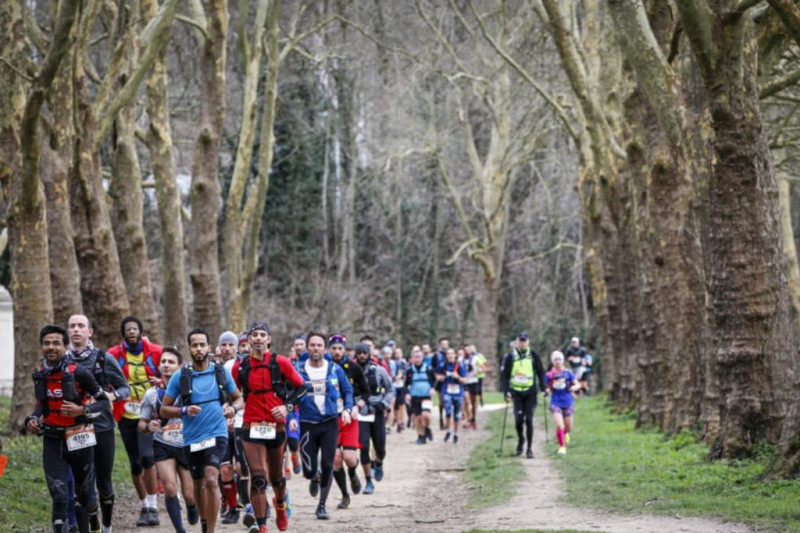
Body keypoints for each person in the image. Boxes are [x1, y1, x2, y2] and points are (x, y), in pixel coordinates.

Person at [27, 325, 111, 533]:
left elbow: (104, 403)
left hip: (78, 438)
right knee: (59, 496)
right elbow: (41, 405)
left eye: (56, 343)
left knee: (84, 497)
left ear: (65, 346)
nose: (51, 347)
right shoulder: (40, 374)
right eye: (46, 343)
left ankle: (93, 513)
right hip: (53, 440)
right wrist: (33, 419)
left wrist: (81, 410)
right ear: (41, 347)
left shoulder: (79, 373)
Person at [160, 328, 243, 533]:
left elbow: (238, 398)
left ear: (208, 347)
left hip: (217, 433)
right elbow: (164, 408)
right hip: (191, 437)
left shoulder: (220, 372)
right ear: (189, 348)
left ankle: (210, 531)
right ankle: (205, 523)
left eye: (202, 345)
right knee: (198, 485)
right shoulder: (181, 375)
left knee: (212, 480)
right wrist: (184, 410)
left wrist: (232, 409)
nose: (198, 349)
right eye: (194, 345)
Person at [231, 322, 308, 533]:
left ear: (269, 339)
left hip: (276, 428)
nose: (258, 338)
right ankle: (263, 525)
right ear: (248, 340)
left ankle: (281, 504)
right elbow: (231, 394)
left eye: (262, 335)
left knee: (276, 479)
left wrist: (287, 407)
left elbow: (302, 388)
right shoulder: (241, 367)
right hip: (251, 427)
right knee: (257, 477)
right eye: (254, 335)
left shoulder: (280, 362)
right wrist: (229, 409)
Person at [66, 315, 130, 533]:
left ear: (89, 332)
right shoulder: (62, 361)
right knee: (82, 486)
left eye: (81, 326)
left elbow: (125, 389)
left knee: (103, 482)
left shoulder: (103, 358)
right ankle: (91, 516)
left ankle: (108, 526)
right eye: (72, 326)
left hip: (102, 427)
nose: (76, 330)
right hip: (75, 428)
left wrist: (109, 397)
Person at [106, 316, 163, 527]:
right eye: (128, 329)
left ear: (140, 331)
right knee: (135, 463)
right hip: (126, 414)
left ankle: (154, 505)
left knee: (148, 458)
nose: (131, 331)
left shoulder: (156, 351)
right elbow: (105, 378)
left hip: (148, 413)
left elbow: (171, 370)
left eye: (135, 328)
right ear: (123, 333)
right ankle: (144, 506)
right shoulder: (113, 354)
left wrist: (161, 382)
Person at [139, 346, 199, 533]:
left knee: (190, 494)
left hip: (187, 443)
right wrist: (149, 427)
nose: (166, 365)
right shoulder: (151, 394)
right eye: (163, 362)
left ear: (179, 366)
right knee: (170, 488)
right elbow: (142, 423)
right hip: (163, 443)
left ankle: (191, 506)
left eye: (171, 362)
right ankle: (180, 530)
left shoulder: (189, 390)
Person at [296, 332, 353, 519]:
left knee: (329, 464)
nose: (315, 348)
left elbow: (348, 390)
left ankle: (322, 505)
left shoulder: (335, 369)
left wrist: (347, 409)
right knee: (309, 469)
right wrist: (291, 417)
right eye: (312, 345)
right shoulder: (298, 369)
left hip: (329, 423)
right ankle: (313, 476)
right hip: (307, 423)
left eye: (319, 345)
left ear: (325, 349)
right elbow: (288, 392)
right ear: (307, 347)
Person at [329, 334, 368, 509]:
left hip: (350, 417)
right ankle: (345, 496)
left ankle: (352, 472)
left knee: (350, 458)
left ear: (344, 350)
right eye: (334, 348)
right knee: (336, 459)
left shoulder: (353, 368)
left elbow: (367, 392)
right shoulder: (323, 367)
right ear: (329, 349)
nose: (337, 352)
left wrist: (357, 406)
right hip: (330, 418)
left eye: (340, 348)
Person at [354, 343, 393, 495]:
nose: (362, 355)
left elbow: (389, 390)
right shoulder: (352, 371)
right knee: (363, 447)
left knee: (380, 448)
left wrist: (383, 404)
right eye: (360, 353)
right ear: (356, 355)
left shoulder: (379, 371)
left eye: (365, 353)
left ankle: (379, 462)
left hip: (377, 413)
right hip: (361, 414)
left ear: (369, 354)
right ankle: (368, 480)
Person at [500, 332, 545, 458]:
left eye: (524, 340)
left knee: (529, 419)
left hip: (531, 392)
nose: (522, 343)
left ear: (528, 342)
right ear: (517, 342)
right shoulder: (511, 356)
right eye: (520, 340)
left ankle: (529, 449)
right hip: (517, 393)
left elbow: (541, 372)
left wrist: (544, 388)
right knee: (518, 420)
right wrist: (506, 391)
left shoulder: (533, 355)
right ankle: (521, 439)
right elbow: (505, 376)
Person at [545, 351, 579, 455]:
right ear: (552, 361)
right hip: (555, 402)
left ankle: (564, 434)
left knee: (568, 427)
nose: (558, 361)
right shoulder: (549, 375)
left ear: (562, 360)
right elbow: (548, 388)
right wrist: (546, 392)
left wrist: (574, 387)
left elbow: (577, 384)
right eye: (555, 359)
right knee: (560, 425)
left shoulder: (568, 373)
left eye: (559, 359)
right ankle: (562, 447)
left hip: (568, 402)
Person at [405, 346, 436, 445]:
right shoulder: (410, 370)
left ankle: (427, 428)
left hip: (426, 395)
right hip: (415, 396)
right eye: (415, 357)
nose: (417, 359)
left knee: (426, 415)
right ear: (412, 358)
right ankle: (421, 436)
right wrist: (407, 394)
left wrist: (432, 388)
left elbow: (434, 380)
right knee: (418, 418)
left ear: (422, 357)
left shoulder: (428, 368)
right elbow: (406, 384)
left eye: (419, 357)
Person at [437, 348, 466, 444]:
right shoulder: (443, 366)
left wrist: (457, 377)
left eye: (451, 354)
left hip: (458, 392)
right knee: (448, 412)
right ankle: (448, 430)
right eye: (448, 354)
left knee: (457, 415)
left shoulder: (460, 366)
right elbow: (437, 375)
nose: (450, 356)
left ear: (455, 355)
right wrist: (441, 378)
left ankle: (456, 433)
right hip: (447, 392)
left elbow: (464, 380)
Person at [389, 347, 407, 433]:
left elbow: (403, 372)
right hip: (393, 385)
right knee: (395, 404)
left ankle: (401, 421)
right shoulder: (392, 362)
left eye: (399, 353)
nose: (398, 354)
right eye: (396, 353)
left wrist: (398, 376)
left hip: (401, 385)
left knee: (401, 404)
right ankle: (397, 419)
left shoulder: (403, 362)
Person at [432, 338, 449, 429]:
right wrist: (437, 375)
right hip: (440, 380)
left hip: (449, 380)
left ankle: (448, 420)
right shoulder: (436, 356)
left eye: (446, 344)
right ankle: (441, 419)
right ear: (440, 345)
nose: (444, 346)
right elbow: (432, 368)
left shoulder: (451, 354)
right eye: (443, 344)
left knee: (448, 401)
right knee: (442, 401)